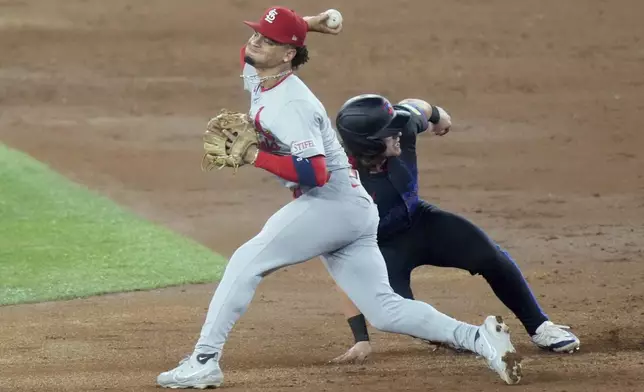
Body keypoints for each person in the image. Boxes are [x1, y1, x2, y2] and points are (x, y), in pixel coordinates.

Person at [156, 7, 522, 389]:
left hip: (330, 204)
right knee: (384, 310)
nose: (254, 42)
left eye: (268, 40)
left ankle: (204, 360)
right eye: (256, 34)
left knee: (245, 262)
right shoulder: (262, 76)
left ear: (287, 56)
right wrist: (306, 25)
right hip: (354, 208)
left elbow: (315, 173)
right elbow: (249, 54)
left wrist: (254, 156)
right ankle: (479, 338)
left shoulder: (291, 105)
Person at [330, 93, 581, 364]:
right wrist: (361, 338)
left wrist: (437, 115)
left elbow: (416, 107)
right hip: (379, 250)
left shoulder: (403, 126)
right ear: (369, 145)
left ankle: (540, 327)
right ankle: (458, 336)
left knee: (489, 256)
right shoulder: (339, 186)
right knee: (402, 314)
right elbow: (344, 266)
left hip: (421, 222)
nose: (399, 132)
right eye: (389, 132)